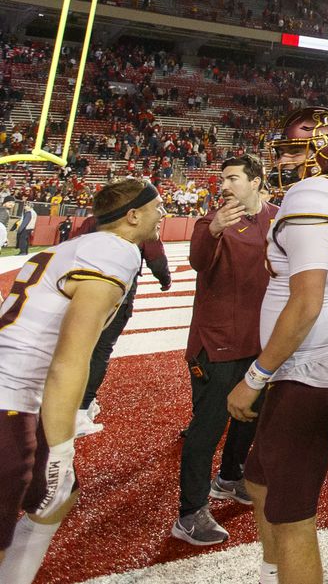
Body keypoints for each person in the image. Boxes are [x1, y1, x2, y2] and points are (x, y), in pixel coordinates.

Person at [226, 107, 328, 584]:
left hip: (306, 363)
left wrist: (255, 377)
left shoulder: (312, 194)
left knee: (291, 513)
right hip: (313, 357)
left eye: (297, 148)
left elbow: (306, 301)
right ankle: (275, 572)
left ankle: (286, 569)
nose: (286, 158)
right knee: (257, 477)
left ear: (324, 149)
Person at [0, 179, 163, 584]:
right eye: (157, 207)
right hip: (10, 396)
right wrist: (61, 448)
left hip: (15, 388)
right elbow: (70, 359)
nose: (163, 214)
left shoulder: (76, 247)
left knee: (58, 496)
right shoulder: (115, 251)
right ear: (133, 215)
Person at [171, 155, 277, 546]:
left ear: (256, 182)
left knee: (249, 416)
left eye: (233, 178)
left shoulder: (278, 218)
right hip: (216, 345)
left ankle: (230, 478)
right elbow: (198, 261)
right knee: (207, 429)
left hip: (259, 344)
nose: (225, 185)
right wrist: (213, 229)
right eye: (222, 179)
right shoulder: (209, 223)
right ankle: (189, 513)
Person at [76, 217, 171, 436]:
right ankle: (81, 409)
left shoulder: (94, 221)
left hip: (83, 291)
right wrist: (165, 280)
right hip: (117, 296)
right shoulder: (141, 222)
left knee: (78, 348)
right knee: (100, 351)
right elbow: (156, 258)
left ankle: (72, 401)